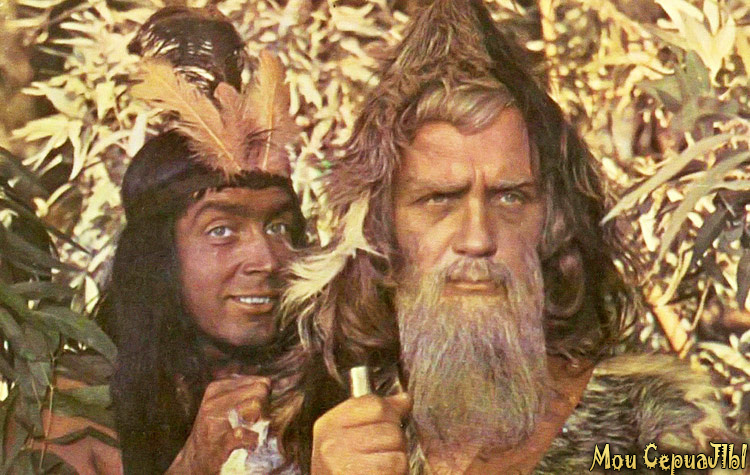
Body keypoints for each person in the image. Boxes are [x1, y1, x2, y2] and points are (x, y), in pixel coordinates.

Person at [277, 1, 745, 473]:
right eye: (440, 199)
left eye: (510, 198)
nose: (478, 238)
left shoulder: (663, 428)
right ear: (382, 232)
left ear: (553, 226)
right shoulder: (325, 427)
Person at [107, 7, 305, 474]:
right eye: (222, 231)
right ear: (158, 258)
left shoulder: (327, 386)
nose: (266, 260)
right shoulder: (77, 405)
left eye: (279, 227)